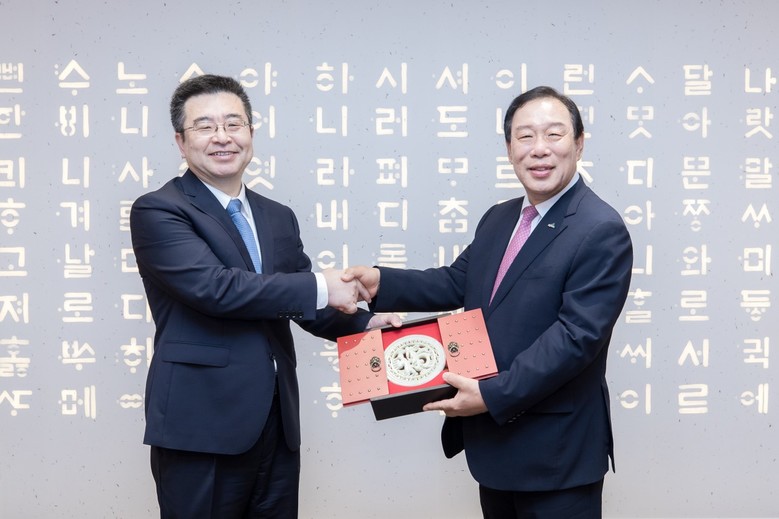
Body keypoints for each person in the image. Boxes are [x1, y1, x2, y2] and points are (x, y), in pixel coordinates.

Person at [345, 86, 633, 518]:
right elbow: (457, 281)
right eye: (525, 136)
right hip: (494, 445)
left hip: (556, 453)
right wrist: (379, 282)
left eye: (554, 134)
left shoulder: (599, 228)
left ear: (579, 143)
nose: (539, 149)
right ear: (508, 148)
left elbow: (576, 338)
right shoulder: (500, 217)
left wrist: (491, 394)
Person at [130, 74, 396, 518]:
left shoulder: (277, 216)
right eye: (205, 126)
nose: (222, 137)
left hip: (276, 419)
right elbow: (216, 289)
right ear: (180, 141)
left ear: (251, 132)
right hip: (201, 422)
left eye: (233, 124)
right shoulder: (159, 209)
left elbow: (305, 304)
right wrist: (322, 285)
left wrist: (365, 323)